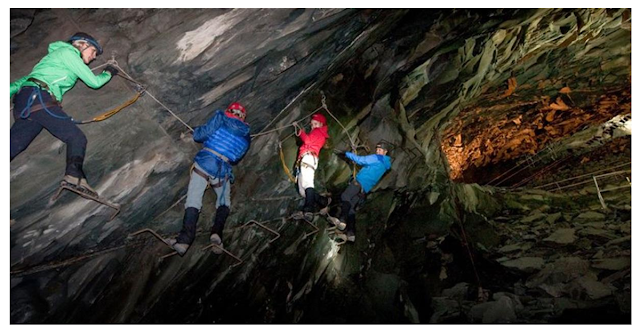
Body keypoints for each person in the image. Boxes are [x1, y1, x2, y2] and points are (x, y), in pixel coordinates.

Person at [10, 32, 119, 195]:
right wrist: (109, 72)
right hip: (39, 98)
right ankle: (74, 177)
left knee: (14, 146)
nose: (94, 57)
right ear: (82, 44)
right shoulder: (68, 53)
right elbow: (94, 82)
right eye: (93, 51)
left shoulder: (53, 59)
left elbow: (22, 82)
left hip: (27, 100)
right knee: (76, 138)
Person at [167, 102, 251, 256]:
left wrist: (195, 130)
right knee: (224, 202)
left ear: (229, 111)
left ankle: (185, 240)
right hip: (223, 169)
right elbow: (237, 157)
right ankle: (217, 233)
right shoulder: (246, 134)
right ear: (243, 117)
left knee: (194, 199)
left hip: (206, 163)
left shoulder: (221, 117)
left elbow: (200, 135)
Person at [327, 142, 392, 242]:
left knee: (345, 197)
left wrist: (347, 153)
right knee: (351, 209)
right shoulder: (385, 164)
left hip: (359, 183)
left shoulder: (377, 158)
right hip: (365, 189)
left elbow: (361, 160)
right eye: (377, 149)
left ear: (385, 152)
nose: (377, 151)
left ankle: (342, 220)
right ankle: (351, 233)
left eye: (380, 149)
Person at [292, 113, 331, 222]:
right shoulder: (319, 132)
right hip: (306, 159)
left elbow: (307, 140)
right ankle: (322, 201)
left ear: (321, 124)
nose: (313, 126)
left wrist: (300, 131)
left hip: (309, 158)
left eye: (315, 123)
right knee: (302, 191)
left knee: (308, 184)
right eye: (312, 124)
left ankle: (308, 210)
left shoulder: (319, 131)